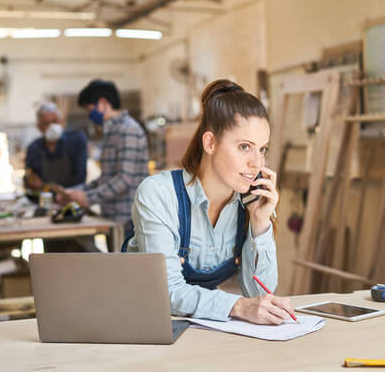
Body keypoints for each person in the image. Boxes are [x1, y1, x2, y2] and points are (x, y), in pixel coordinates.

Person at [124, 79, 295, 325]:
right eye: (245, 147)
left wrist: (260, 223)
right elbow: (166, 291)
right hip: (140, 323)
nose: (257, 163)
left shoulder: (249, 202)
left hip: (195, 325)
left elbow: (259, 296)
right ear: (210, 143)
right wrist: (237, 306)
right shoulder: (158, 195)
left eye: (263, 149)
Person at [62, 80, 149, 237]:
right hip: (113, 218)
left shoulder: (127, 130)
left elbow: (124, 180)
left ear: (102, 104)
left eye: (89, 110)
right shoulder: (111, 132)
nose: (90, 116)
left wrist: (87, 198)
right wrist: (76, 192)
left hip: (128, 220)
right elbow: (106, 179)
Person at [25, 102, 87, 190]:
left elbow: (80, 176)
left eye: (54, 122)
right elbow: (29, 176)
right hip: (46, 197)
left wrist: (66, 194)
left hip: (73, 196)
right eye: (46, 124)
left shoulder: (76, 140)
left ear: (62, 121)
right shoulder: (33, 148)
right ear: (39, 127)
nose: (51, 127)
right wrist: (31, 181)